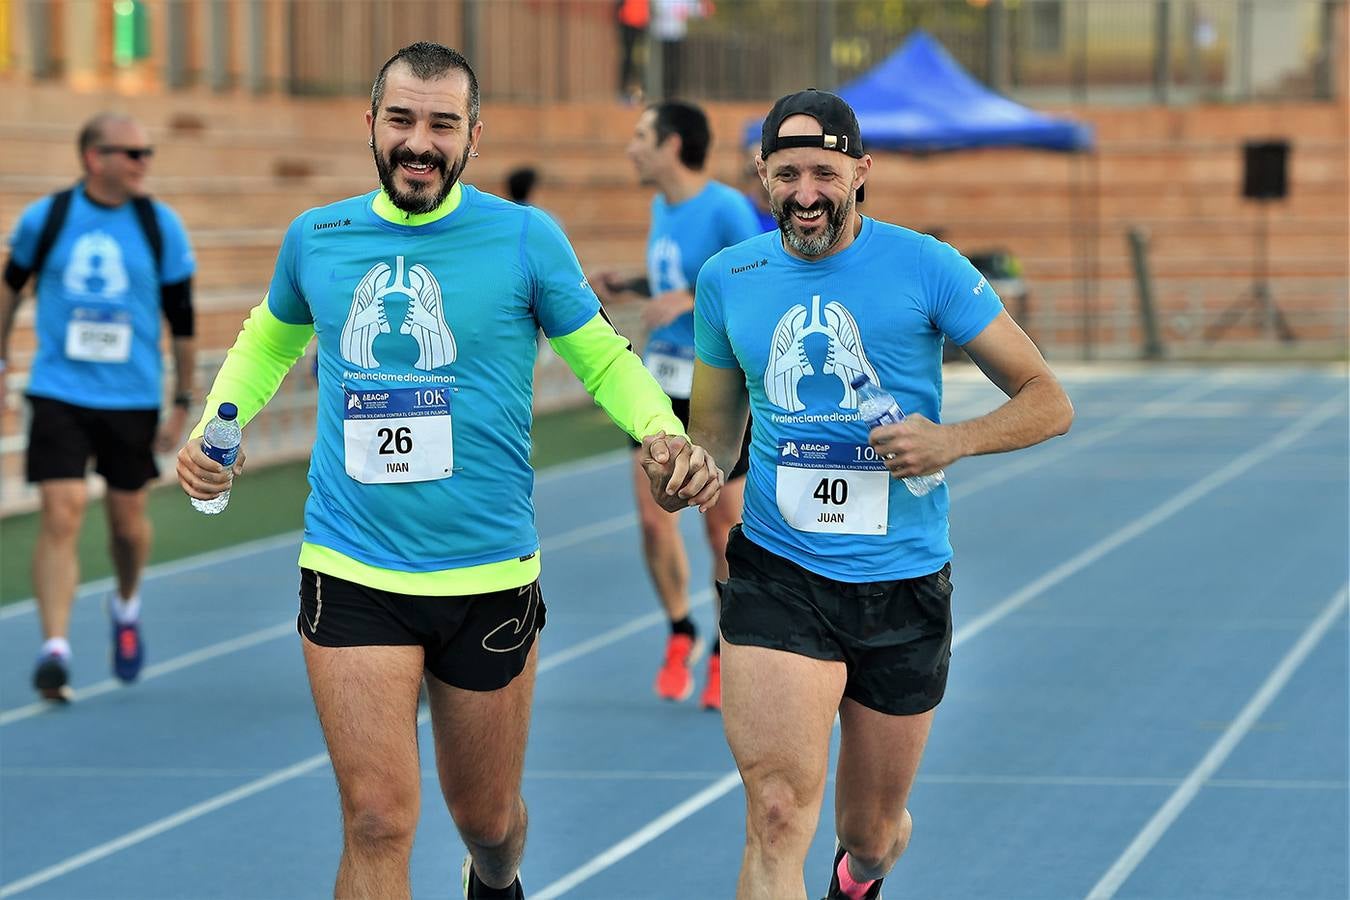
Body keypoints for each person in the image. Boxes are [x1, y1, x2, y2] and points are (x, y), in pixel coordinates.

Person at [175, 43, 720, 900]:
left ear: (472, 135)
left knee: (488, 821)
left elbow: (605, 358)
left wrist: (661, 432)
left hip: (487, 574)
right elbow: (265, 343)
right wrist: (215, 432)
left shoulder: (525, 238)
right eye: (401, 120)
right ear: (372, 125)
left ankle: (496, 880)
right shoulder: (316, 238)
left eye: (441, 124)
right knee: (378, 819)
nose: (419, 142)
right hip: (353, 565)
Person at [650, 89, 1074, 899]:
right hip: (779, 571)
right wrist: (686, 472)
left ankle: (859, 878)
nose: (805, 192)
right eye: (786, 174)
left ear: (860, 172)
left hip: (902, 586)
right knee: (776, 813)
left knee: (871, 834)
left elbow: (1048, 400)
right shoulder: (727, 279)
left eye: (823, 172)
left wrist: (952, 439)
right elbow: (713, 438)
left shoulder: (926, 266)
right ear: (762, 177)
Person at [0, 112, 197, 703]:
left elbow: (182, 322)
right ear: (94, 157)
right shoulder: (48, 218)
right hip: (60, 389)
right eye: (132, 153)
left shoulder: (161, 226)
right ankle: (54, 648)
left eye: (147, 153)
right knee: (60, 513)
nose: (144, 164)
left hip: (132, 397)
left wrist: (182, 400)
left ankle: (126, 601)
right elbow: (10, 287)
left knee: (127, 527)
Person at [591, 100, 760, 710]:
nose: (631, 147)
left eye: (640, 136)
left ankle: (724, 645)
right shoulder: (662, 205)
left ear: (671, 145)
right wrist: (631, 286)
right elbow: (671, 282)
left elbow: (757, 274)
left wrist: (687, 300)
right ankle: (679, 631)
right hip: (659, 380)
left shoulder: (725, 207)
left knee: (722, 528)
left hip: (714, 386)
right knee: (650, 518)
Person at [614, 0, 649, 102]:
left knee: (642, 59)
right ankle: (624, 90)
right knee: (628, 59)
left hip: (643, 22)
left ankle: (641, 91)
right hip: (627, 22)